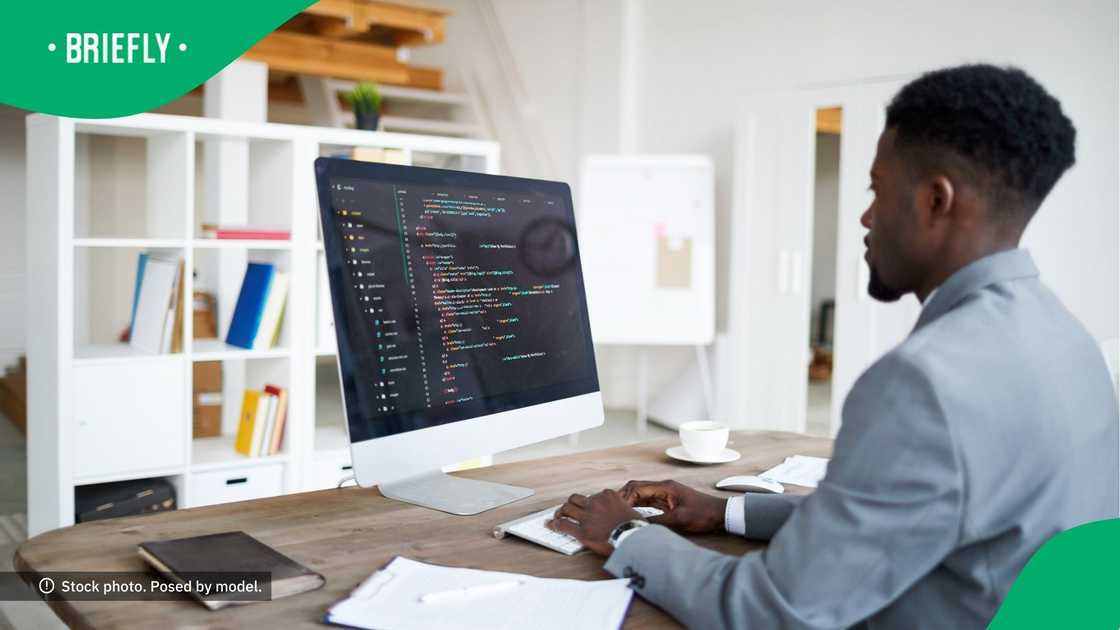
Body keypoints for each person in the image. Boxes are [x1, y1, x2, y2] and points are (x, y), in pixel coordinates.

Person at [548, 64, 1119, 629]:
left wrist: (625, 534)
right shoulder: (1071, 342)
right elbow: (903, 517)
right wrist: (727, 510)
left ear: (936, 200)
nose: (866, 217)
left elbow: (773, 611)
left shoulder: (925, 382)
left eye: (877, 189)